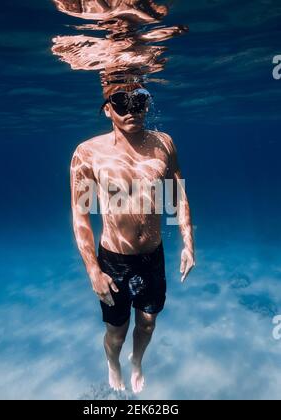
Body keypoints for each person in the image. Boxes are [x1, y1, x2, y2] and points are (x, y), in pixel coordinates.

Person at [70, 82, 195, 394]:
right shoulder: (87, 153)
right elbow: (80, 215)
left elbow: (177, 195)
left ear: (147, 104)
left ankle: (137, 360)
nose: (131, 110)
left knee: (149, 323)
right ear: (108, 109)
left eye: (139, 101)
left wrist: (187, 243)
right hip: (114, 259)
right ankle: (114, 363)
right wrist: (92, 270)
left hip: (153, 254)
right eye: (121, 102)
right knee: (117, 330)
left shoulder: (163, 144)